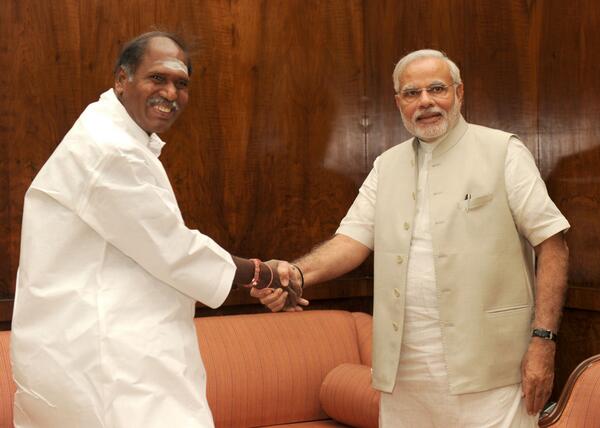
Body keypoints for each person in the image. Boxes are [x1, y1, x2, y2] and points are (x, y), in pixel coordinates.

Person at [254, 49, 569, 427]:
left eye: (437, 89)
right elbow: (350, 241)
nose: (425, 102)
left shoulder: (503, 151)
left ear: (459, 93)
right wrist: (294, 273)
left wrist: (543, 341)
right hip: (406, 374)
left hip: (493, 369)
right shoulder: (386, 165)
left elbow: (552, 245)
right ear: (398, 103)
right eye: (411, 93)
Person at [10, 31, 301, 428]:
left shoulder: (116, 137)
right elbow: (173, 248)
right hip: (104, 362)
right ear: (121, 79)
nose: (170, 93)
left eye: (181, 83)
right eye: (157, 78)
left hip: (107, 355)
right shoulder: (109, 148)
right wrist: (261, 274)